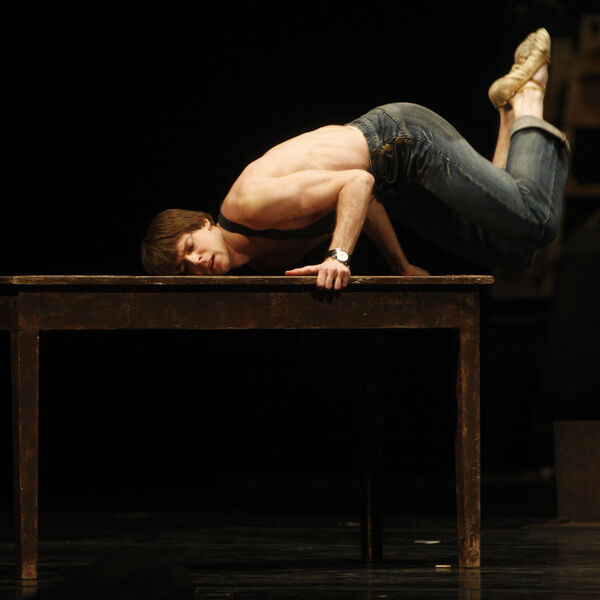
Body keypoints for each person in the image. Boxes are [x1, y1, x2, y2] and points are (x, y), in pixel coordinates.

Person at [141, 28, 568, 290]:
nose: (197, 262)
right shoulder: (262, 259)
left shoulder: (248, 206)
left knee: (536, 220)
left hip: (401, 142)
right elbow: (363, 200)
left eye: (190, 247)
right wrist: (402, 268)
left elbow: (356, 183)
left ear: (204, 223)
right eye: (184, 268)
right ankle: (509, 110)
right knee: (512, 251)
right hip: (390, 186)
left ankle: (530, 95)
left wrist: (339, 256)